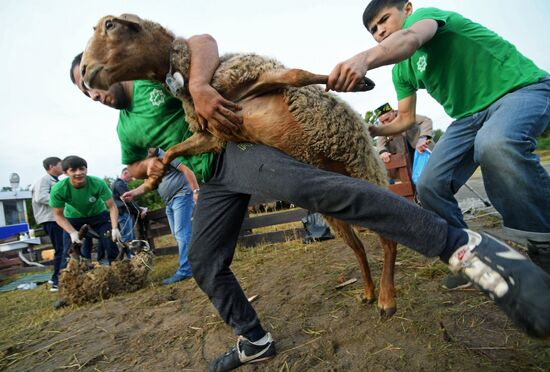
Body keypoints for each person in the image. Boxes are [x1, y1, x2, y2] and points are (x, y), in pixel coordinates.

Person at [71, 34, 550, 371]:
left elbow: (201, 41)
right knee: (202, 261)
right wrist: (149, 167)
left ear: (115, 63)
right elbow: (132, 166)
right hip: (209, 177)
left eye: (94, 76)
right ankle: (254, 339)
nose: (94, 90)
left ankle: (460, 244)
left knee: (316, 190)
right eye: (85, 89)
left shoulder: (156, 75)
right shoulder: (124, 127)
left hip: (234, 147)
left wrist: (198, 85)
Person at [327, 2, 550, 275]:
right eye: (373, 30)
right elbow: (406, 119)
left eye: (384, 19)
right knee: (429, 185)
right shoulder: (401, 70)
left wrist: (363, 59)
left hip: (518, 90)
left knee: (495, 144)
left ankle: (543, 240)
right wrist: (372, 131)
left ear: (407, 9)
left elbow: (409, 39)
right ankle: (471, 257)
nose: (380, 31)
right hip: (469, 118)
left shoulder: (423, 19)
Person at [122, 148, 200, 284]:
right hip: (170, 201)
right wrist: (133, 193)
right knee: (179, 235)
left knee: (182, 234)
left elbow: (187, 170)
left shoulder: (167, 154)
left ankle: (186, 271)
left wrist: (196, 191)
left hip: (182, 194)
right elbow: (149, 184)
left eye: (147, 146)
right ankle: (199, 261)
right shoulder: (149, 162)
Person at [50, 156, 121, 267]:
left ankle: (120, 271)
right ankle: (70, 277)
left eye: (82, 169)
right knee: (69, 250)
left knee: (110, 242)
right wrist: (72, 232)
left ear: (86, 169)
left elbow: (112, 206)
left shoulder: (98, 183)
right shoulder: (59, 189)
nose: (79, 173)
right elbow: (58, 216)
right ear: (65, 173)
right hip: (73, 218)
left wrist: (115, 227)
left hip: (98, 215)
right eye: (73, 170)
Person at [31, 157, 65, 291]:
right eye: (60, 164)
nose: (63, 166)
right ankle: (57, 280)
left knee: (62, 247)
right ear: (51, 166)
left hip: (56, 217)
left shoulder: (56, 180)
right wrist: (62, 202)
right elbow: (41, 197)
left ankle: (53, 278)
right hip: (50, 218)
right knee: (61, 248)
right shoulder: (44, 180)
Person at [111, 167, 145, 244]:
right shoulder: (120, 184)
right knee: (128, 236)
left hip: (122, 212)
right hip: (123, 213)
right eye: (131, 176)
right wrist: (139, 211)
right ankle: (130, 255)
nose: (131, 178)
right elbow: (129, 200)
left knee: (129, 235)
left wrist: (139, 208)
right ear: (125, 173)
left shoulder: (115, 184)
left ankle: (131, 254)